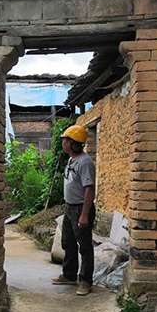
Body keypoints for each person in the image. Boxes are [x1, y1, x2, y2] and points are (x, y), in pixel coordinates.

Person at [52, 125, 96, 296]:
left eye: (66, 140)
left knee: (84, 246)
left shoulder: (84, 162)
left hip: (80, 208)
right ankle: (69, 274)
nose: (63, 143)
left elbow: (89, 189)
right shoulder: (72, 160)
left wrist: (84, 214)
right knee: (68, 242)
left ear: (74, 143)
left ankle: (85, 281)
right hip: (70, 207)